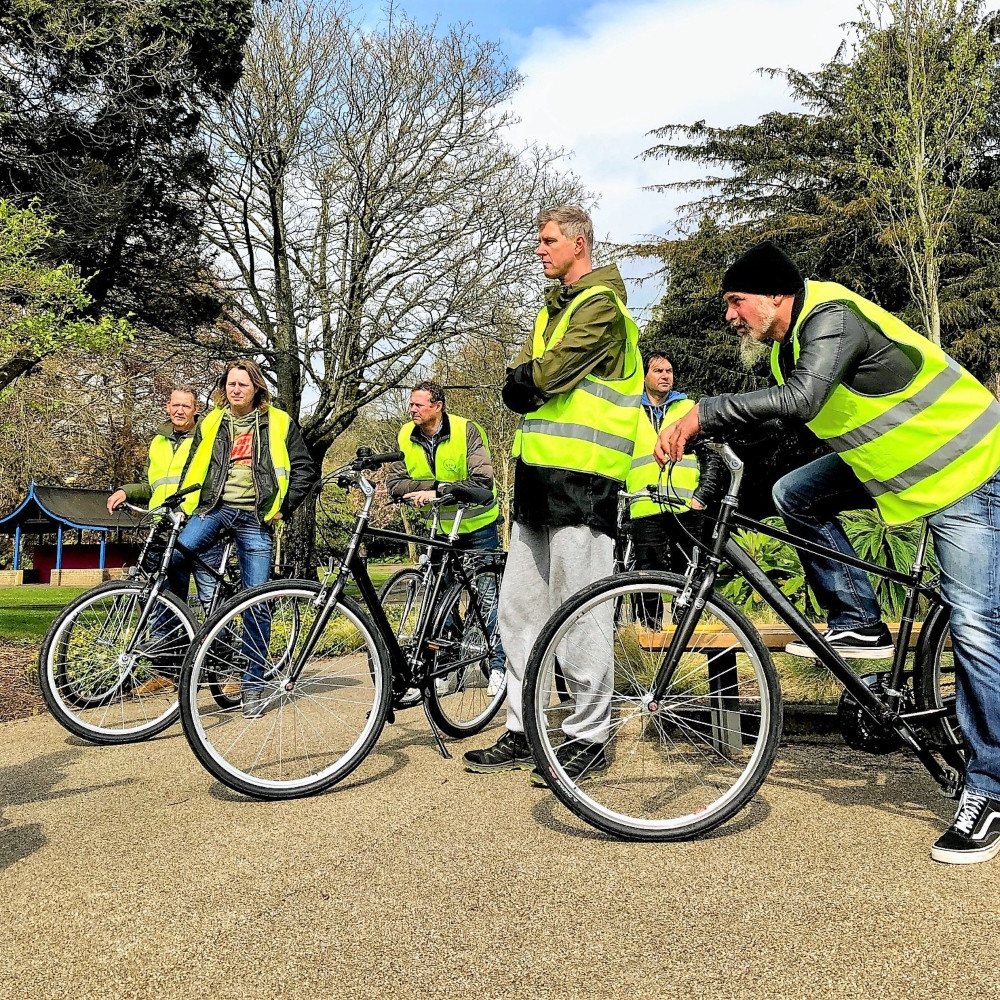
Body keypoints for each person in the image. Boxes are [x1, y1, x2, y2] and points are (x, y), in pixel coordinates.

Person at [656, 240, 1000, 865]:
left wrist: (702, 411)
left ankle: (990, 788)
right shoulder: (791, 343)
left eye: (737, 302)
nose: (730, 316)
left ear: (776, 297)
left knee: (975, 627)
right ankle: (858, 619)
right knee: (795, 494)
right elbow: (772, 425)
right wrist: (710, 484)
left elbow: (801, 402)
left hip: (967, 466)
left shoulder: (831, 321)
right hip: (900, 469)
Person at [462, 205, 643, 782]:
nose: (538, 250)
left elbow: (540, 379)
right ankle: (524, 728)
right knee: (519, 613)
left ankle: (589, 736)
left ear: (579, 244)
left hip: (584, 488)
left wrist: (527, 380)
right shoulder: (555, 308)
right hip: (538, 485)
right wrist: (525, 380)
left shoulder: (601, 309)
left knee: (582, 615)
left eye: (546, 241)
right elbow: (526, 383)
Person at [172, 359, 317, 718]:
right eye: (231, 384)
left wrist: (284, 507)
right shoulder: (212, 420)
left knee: (256, 601)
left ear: (256, 389)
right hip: (214, 509)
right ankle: (191, 632)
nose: (236, 389)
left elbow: (305, 469)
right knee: (174, 557)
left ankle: (253, 685)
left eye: (243, 384)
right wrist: (185, 503)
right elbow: (194, 464)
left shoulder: (279, 421)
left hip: (256, 516)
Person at [386, 379, 507, 696]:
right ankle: (446, 668)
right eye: (410, 404)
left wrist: (436, 490)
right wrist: (431, 488)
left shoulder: (467, 430)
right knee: (441, 601)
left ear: (437, 407)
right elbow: (395, 484)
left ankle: (498, 667)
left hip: (477, 524)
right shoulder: (404, 435)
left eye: (418, 404)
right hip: (440, 528)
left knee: (487, 598)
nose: (412, 409)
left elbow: (481, 480)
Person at [107, 385, 221, 611]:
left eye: (186, 406)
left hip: (199, 525)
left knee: (210, 597)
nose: (179, 410)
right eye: (175, 405)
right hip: (163, 529)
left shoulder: (208, 439)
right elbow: (153, 487)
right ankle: (163, 644)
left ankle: (219, 642)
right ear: (167, 406)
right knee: (163, 596)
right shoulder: (157, 442)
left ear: (195, 409)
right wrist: (126, 491)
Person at [626, 351, 723, 577]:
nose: (665, 376)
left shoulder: (689, 409)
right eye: (658, 371)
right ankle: (646, 615)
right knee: (646, 576)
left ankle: (686, 615)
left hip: (686, 507)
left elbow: (712, 455)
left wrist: (702, 496)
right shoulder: (629, 412)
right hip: (644, 505)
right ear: (643, 376)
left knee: (688, 576)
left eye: (669, 371)